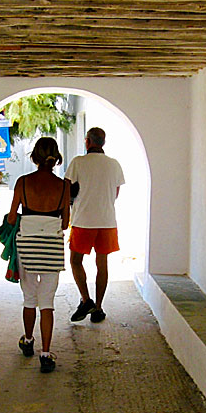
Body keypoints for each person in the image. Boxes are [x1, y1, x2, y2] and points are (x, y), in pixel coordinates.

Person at [7, 137, 70, 373]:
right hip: (52, 249)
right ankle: (46, 353)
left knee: (29, 299)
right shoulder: (64, 185)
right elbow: (65, 223)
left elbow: (13, 217)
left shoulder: (23, 183)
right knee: (47, 302)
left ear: (34, 157)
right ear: (56, 159)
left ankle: (28, 340)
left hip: (27, 248)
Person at [65, 127, 125, 323]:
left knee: (75, 261)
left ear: (87, 142)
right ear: (103, 142)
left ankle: (85, 300)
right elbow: (115, 194)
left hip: (83, 220)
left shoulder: (78, 163)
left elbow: (68, 191)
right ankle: (98, 308)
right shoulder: (114, 164)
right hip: (107, 221)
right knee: (102, 264)